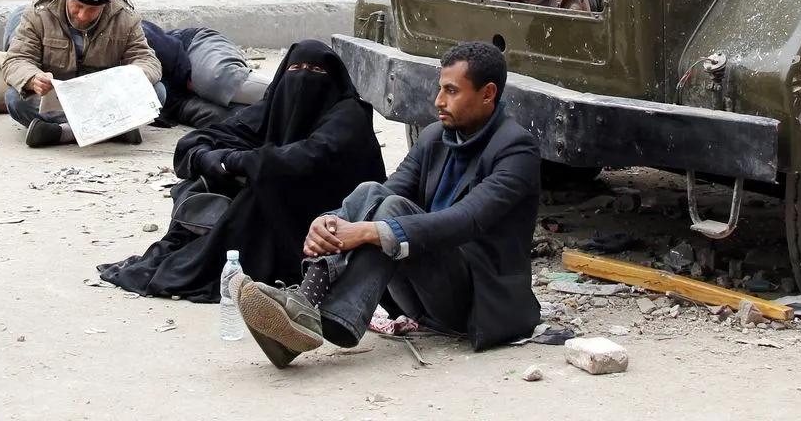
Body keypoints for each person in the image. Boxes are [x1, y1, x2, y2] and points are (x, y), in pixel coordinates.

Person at [232, 41, 541, 367]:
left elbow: (466, 219)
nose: (439, 101)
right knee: (372, 192)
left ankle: (313, 312)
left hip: (477, 301)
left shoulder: (516, 149)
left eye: (452, 91)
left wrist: (367, 231)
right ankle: (301, 313)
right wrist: (331, 220)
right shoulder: (435, 136)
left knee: (392, 211)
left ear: (488, 94)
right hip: (418, 292)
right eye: (440, 89)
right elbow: (384, 191)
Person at [97, 40, 387, 302]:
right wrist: (208, 158)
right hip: (286, 206)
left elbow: (302, 159)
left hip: (332, 217)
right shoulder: (274, 104)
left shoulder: (349, 114)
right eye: (295, 68)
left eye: (315, 71)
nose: (302, 78)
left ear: (334, 79)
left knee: (266, 183)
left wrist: (235, 161)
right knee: (205, 180)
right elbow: (210, 137)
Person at [2, 0, 162, 148]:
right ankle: (115, 128)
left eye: (93, 10)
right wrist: (32, 78)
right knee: (15, 99)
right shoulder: (39, 14)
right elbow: (17, 59)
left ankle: (63, 133)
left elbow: (147, 58)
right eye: (78, 6)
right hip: (59, 98)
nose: (83, 16)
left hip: (104, 97)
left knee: (157, 92)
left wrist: (132, 77)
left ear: (106, 3)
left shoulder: (125, 17)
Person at [145, 24, 271, 128]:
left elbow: (166, 47)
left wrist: (186, 77)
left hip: (190, 51)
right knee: (233, 120)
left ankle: (289, 91)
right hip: (177, 103)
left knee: (218, 80)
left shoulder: (129, 24)